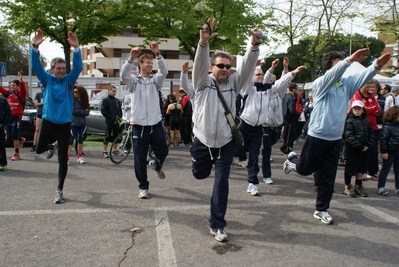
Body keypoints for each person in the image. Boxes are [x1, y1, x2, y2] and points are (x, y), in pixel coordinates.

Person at [283, 48, 391, 225]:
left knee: (328, 177)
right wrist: (348, 60)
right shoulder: (320, 84)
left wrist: (377, 65)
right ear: (328, 69)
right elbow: (335, 73)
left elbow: (363, 77)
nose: (342, 69)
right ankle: (292, 162)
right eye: (338, 66)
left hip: (334, 140)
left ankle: (321, 209)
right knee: (304, 170)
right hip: (316, 137)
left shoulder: (346, 85)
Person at [191, 18, 261, 242]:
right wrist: (203, 43)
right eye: (220, 65)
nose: (224, 69)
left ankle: (217, 224)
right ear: (212, 67)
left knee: (221, 183)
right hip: (202, 141)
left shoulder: (235, 83)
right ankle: (201, 167)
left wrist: (253, 45)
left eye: (228, 66)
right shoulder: (201, 81)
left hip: (225, 143)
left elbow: (249, 67)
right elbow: (199, 64)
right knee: (199, 174)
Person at [31, 28, 83, 204]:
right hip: (48, 121)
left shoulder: (69, 80)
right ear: (52, 69)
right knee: (38, 149)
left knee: (63, 160)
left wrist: (76, 49)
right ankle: (50, 147)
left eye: (63, 68)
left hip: (64, 124)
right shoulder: (46, 79)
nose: (61, 70)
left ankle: (59, 190)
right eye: (58, 68)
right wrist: (35, 48)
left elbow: (78, 67)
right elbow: (35, 66)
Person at [240, 59, 306, 195]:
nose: (260, 76)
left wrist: (292, 72)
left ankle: (252, 183)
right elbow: (246, 74)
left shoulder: (268, 90)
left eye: (262, 75)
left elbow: (281, 83)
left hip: (258, 129)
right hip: (244, 126)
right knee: (237, 152)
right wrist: (254, 65)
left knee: (254, 156)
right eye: (257, 74)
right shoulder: (248, 88)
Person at [121, 41, 169, 199]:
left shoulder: (156, 80)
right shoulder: (134, 81)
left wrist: (158, 54)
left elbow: (164, 71)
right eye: (147, 63)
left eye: (151, 63)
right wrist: (130, 58)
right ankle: (143, 186)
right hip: (138, 126)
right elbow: (123, 75)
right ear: (140, 64)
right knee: (139, 158)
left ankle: (156, 164)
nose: (150, 65)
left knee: (163, 150)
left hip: (155, 124)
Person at [350, 80, 381, 180]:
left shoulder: (371, 96)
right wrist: (369, 109)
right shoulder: (356, 95)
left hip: (373, 128)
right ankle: (359, 173)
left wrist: (367, 109)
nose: (369, 86)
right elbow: (359, 110)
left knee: (373, 151)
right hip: (359, 128)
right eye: (367, 84)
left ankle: (372, 171)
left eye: (370, 84)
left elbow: (378, 110)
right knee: (360, 152)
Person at [343, 100, 374, 197]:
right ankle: (347, 186)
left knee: (361, 168)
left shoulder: (366, 121)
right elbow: (349, 136)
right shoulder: (349, 121)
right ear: (352, 109)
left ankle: (358, 185)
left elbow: (371, 134)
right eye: (355, 108)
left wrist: (368, 145)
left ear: (363, 110)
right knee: (350, 168)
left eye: (359, 108)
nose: (357, 110)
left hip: (365, 148)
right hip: (353, 148)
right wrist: (360, 146)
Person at [0, 72, 27, 161]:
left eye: (14, 85)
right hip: (9, 118)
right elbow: (2, 89)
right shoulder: (9, 94)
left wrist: (21, 80)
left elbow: (23, 90)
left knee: (14, 137)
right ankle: (21, 139)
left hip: (17, 117)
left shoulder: (20, 95)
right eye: (11, 85)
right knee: (11, 136)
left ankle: (16, 154)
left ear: (18, 86)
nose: (12, 87)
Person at [377, 106, 399, 196]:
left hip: (398, 152)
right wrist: (384, 152)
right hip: (390, 152)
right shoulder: (387, 127)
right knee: (385, 170)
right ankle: (381, 186)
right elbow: (383, 140)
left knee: (398, 171)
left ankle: (398, 188)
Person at [67, 85, 90, 164]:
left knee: (80, 140)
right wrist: (81, 111)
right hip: (73, 123)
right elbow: (72, 111)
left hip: (82, 124)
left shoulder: (85, 102)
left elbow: (86, 113)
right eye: (73, 92)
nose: (74, 93)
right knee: (70, 140)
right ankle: (67, 157)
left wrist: (78, 111)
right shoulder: (72, 100)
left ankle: (79, 156)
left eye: (76, 92)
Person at [101, 86, 122, 158]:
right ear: (109, 91)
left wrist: (120, 117)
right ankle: (105, 151)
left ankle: (115, 150)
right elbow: (103, 110)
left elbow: (119, 110)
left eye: (115, 91)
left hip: (116, 121)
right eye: (113, 91)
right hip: (109, 121)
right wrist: (109, 117)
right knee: (107, 136)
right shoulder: (106, 100)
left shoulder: (117, 100)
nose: (114, 93)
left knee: (116, 136)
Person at [280, 83, 301, 155]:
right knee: (289, 136)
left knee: (286, 135)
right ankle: (286, 149)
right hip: (290, 120)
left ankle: (285, 148)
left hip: (285, 118)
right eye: (296, 89)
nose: (297, 90)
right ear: (294, 89)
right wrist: (298, 114)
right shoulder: (291, 98)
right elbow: (291, 110)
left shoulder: (286, 97)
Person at [0, 97, 11, 171]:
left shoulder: (3, 101)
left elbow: (8, 112)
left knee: (1, 145)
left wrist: (3, 123)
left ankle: (2, 164)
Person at [31, 85, 44, 152]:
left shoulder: (49, 94)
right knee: (37, 129)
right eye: (41, 86)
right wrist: (43, 103)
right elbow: (36, 104)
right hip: (40, 113)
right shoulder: (38, 94)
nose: (42, 87)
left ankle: (44, 145)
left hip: (47, 114)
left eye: (43, 86)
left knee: (46, 130)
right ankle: (34, 144)